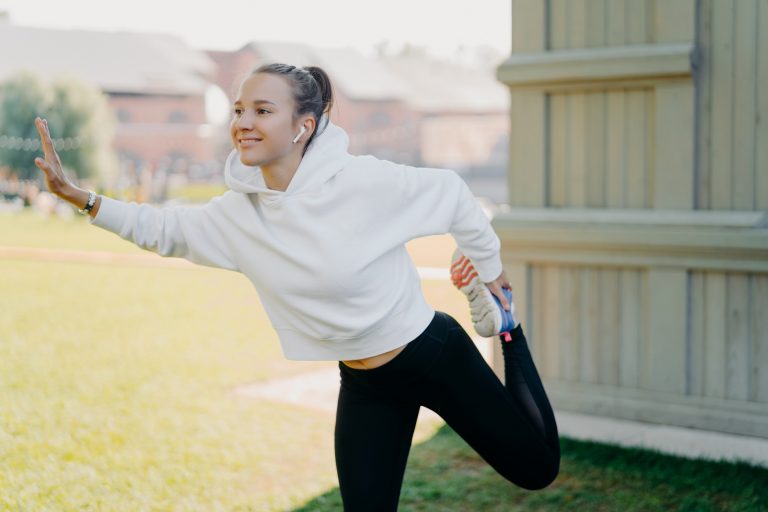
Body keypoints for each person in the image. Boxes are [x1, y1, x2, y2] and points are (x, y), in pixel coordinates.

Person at [33, 63, 560, 511]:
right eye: (239, 110)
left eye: (262, 110)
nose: (243, 122)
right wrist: (79, 196)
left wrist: (490, 272)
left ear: (303, 125)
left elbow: (451, 193)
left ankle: (505, 323)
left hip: (429, 353)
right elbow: (163, 229)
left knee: (535, 470)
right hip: (365, 383)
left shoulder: (362, 183)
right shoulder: (238, 216)